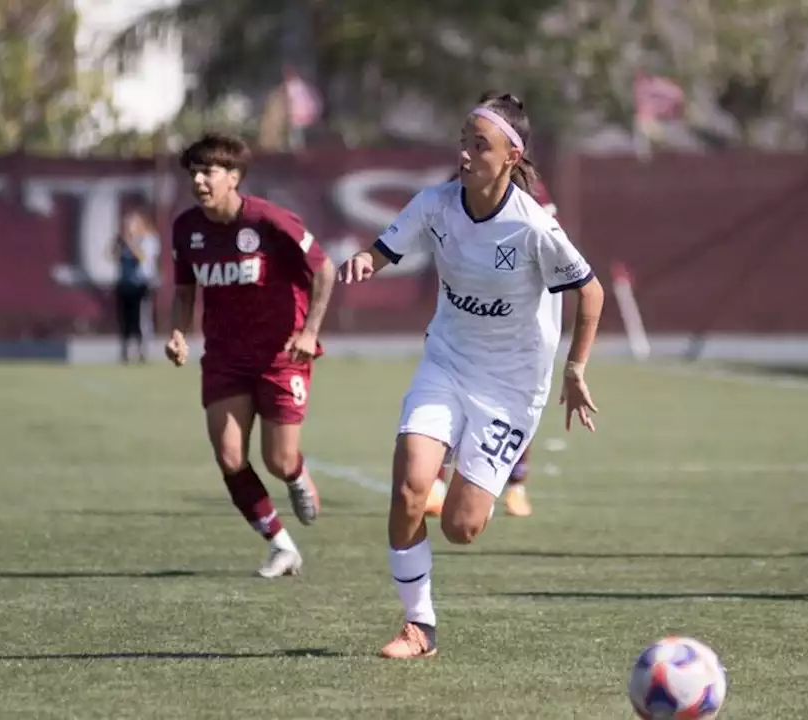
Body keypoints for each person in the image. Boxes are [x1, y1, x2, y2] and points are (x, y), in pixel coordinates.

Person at [338, 94, 605, 659]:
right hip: (447, 362)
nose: (464, 152)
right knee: (410, 485)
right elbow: (386, 246)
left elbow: (591, 290)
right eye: (463, 138)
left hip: (511, 390)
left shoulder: (532, 226)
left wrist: (575, 369)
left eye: (479, 144)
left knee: (461, 527)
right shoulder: (436, 204)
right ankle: (418, 626)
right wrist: (367, 260)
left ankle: (469, 460)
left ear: (512, 156)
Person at [165, 132, 333, 578]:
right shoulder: (186, 228)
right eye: (193, 172)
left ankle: (296, 475)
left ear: (234, 177)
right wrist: (179, 332)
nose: (199, 180)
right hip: (225, 357)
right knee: (229, 456)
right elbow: (185, 290)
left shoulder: (268, 221)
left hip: (281, 354)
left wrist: (309, 331)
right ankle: (281, 544)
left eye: (209, 172)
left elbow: (325, 269)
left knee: (278, 460)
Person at [424, 92, 562, 519]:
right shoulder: (457, 180)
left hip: (517, 316)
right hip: (467, 310)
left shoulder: (531, 194)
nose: (471, 147)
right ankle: (438, 480)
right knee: (449, 396)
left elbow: (552, 254)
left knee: (513, 398)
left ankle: (515, 483)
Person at [113, 208, 161, 363]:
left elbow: (142, 257)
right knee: (125, 320)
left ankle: (142, 352)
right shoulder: (122, 242)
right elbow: (111, 255)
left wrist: (130, 242)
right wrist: (119, 242)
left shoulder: (148, 240)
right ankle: (125, 351)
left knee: (141, 319)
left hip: (141, 285)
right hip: (124, 284)